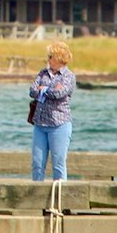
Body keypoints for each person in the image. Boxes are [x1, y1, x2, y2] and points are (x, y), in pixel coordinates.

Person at [28, 40, 75, 181]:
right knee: (37, 163)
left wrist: (44, 89)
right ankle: (36, 194)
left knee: (58, 164)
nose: (48, 60)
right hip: (40, 124)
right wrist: (48, 90)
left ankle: (60, 197)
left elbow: (59, 94)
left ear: (59, 58)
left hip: (59, 124)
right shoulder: (42, 73)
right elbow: (32, 91)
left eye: (50, 57)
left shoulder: (68, 76)